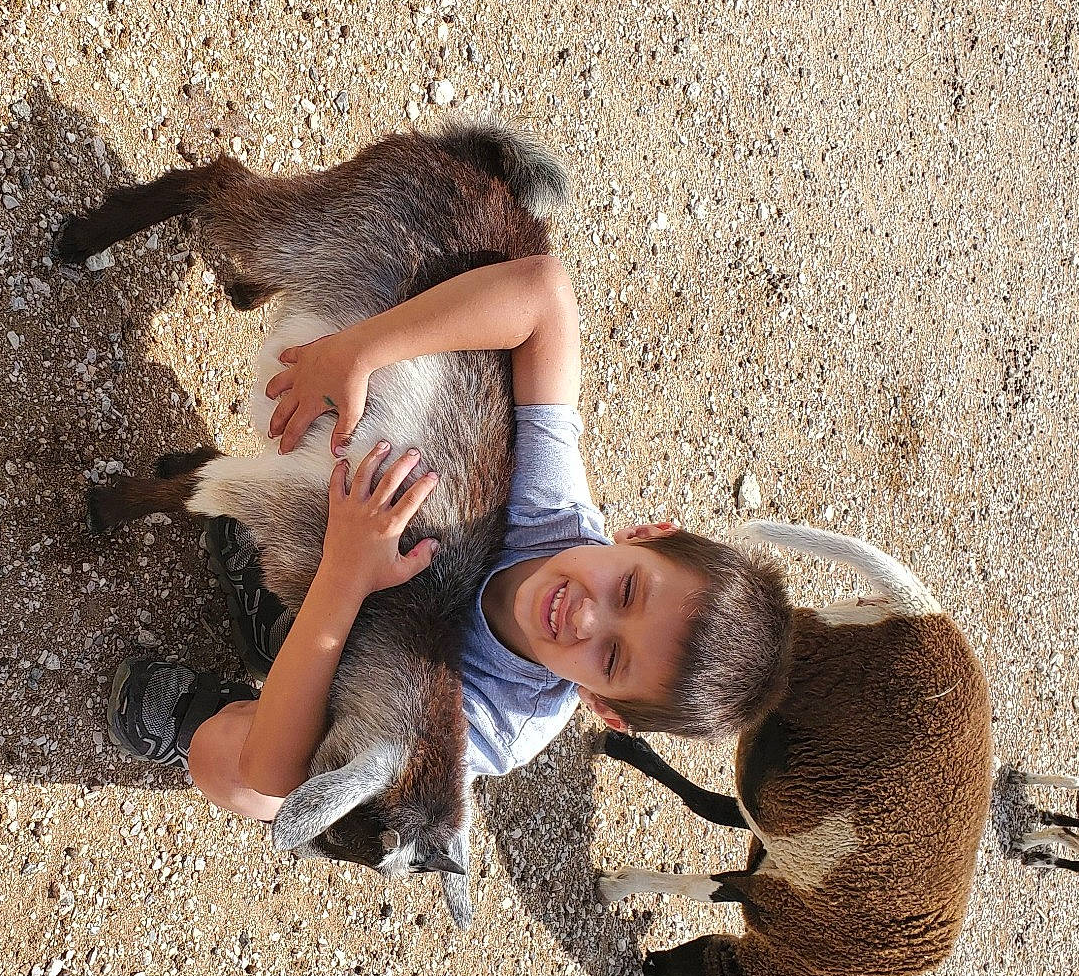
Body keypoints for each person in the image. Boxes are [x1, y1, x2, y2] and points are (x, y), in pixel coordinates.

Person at [103, 254, 794, 819]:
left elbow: (277, 770)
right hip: (340, 579)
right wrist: (358, 351)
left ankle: (206, 708)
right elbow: (545, 295)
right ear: (645, 534)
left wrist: (345, 573)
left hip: (342, 639)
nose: (586, 614)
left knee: (250, 784)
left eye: (611, 657)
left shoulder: (495, 727)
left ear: (604, 710)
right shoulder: (555, 516)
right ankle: (272, 600)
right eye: (629, 589)